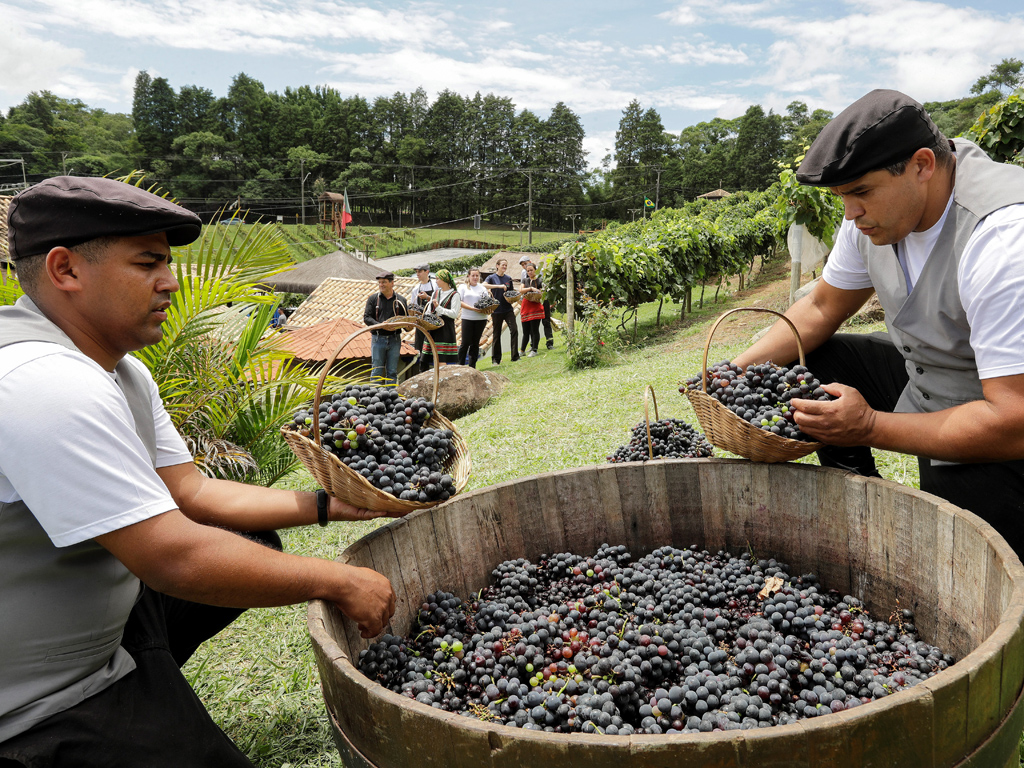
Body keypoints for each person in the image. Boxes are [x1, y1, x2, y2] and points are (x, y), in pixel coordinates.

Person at [0, 176, 401, 766]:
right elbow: (173, 556)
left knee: (252, 540)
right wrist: (338, 580)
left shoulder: (124, 373)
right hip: (37, 697)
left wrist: (327, 504)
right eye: (148, 263)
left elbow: (189, 490)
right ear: (65, 271)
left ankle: (149, 671)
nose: (170, 281)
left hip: (108, 617)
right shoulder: (40, 381)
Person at [731, 89, 1024, 557]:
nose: (849, 213)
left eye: (861, 193)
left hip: (1003, 422)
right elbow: (822, 307)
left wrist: (868, 425)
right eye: (843, 197)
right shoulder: (870, 216)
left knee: (972, 557)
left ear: (923, 165)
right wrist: (732, 369)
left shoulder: (1004, 237)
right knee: (820, 360)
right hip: (930, 377)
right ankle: (859, 492)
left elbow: (1015, 421)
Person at [362, 270, 409, 386]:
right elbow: (367, 318)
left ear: (392, 283)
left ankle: (391, 397)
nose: (381, 285)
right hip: (378, 339)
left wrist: (407, 325)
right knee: (376, 371)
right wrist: (381, 325)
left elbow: (406, 321)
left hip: (395, 339)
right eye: (380, 283)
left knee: (392, 371)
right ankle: (374, 398)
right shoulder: (373, 299)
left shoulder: (401, 300)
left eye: (384, 282)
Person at [484, 258, 519, 365]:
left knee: (514, 330)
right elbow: (484, 285)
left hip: (508, 309)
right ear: (497, 266)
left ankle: (515, 356)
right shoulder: (491, 277)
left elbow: (511, 292)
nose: (504, 267)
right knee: (496, 334)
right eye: (503, 265)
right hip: (497, 310)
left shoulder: (508, 278)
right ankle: (496, 359)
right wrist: (498, 286)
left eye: (506, 265)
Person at [425, 268, 460, 366]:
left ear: (444, 280)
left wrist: (439, 308)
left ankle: (442, 379)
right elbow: (429, 309)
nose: (436, 281)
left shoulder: (455, 295)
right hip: (434, 327)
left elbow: (454, 314)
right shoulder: (435, 293)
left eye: (438, 279)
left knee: (441, 358)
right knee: (433, 358)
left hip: (446, 329)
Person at [519, 255, 554, 350]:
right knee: (532, 324)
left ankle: (549, 343)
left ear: (530, 262)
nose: (525, 267)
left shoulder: (541, 270)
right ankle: (533, 345)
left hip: (542, 298)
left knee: (546, 321)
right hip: (531, 301)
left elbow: (546, 285)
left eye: (525, 263)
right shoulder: (524, 274)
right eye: (523, 265)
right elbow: (522, 287)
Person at [457, 267, 489, 367]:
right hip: (467, 318)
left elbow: (487, 302)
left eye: (477, 276)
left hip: (481, 318)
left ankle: (472, 366)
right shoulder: (463, 287)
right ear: (469, 276)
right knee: (465, 343)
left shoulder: (482, 288)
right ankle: (460, 365)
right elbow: (459, 301)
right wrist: (472, 308)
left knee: (475, 343)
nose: (475, 278)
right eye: (473, 275)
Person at [408, 263, 437, 373]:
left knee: (434, 347)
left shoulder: (436, 285)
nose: (417, 274)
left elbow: (439, 301)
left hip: (433, 321)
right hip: (420, 322)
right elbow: (413, 305)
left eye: (420, 271)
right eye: (416, 272)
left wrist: (427, 297)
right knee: (420, 347)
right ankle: (422, 370)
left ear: (427, 272)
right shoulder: (416, 288)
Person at [519, 261, 545, 358]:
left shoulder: (539, 280)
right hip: (526, 307)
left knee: (534, 330)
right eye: (528, 270)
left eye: (531, 270)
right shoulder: (525, 280)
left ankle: (534, 349)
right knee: (525, 331)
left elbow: (542, 292)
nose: (529, 272)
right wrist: (531, 289)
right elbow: (521, 290)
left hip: (535, 307)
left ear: (535, 270)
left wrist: (535, 290)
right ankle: (522, 350)